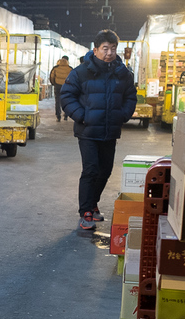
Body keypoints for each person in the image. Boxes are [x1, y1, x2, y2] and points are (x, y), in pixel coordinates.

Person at [60, 30, 137, 232]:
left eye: (113, 48)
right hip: (87, 130)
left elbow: (131, 96)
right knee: (91, 169)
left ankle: (93, 203)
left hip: (110, 129)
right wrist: (82, 116)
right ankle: (85, 212)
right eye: (105, 48)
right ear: (95, 50)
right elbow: (67, 96)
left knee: (105, 170)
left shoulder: (122, 73)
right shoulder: (81, 72)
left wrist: (123, 115)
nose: (109, 53)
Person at [48, 56, 72, 122]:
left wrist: (54, 83)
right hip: (67, 86)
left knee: (57, 101)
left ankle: (58, 116)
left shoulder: (55, 68)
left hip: (57, 86)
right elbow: (73, 78)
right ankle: (66, 115)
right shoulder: (70, 69)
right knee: (67, 101)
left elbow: (52, 77)